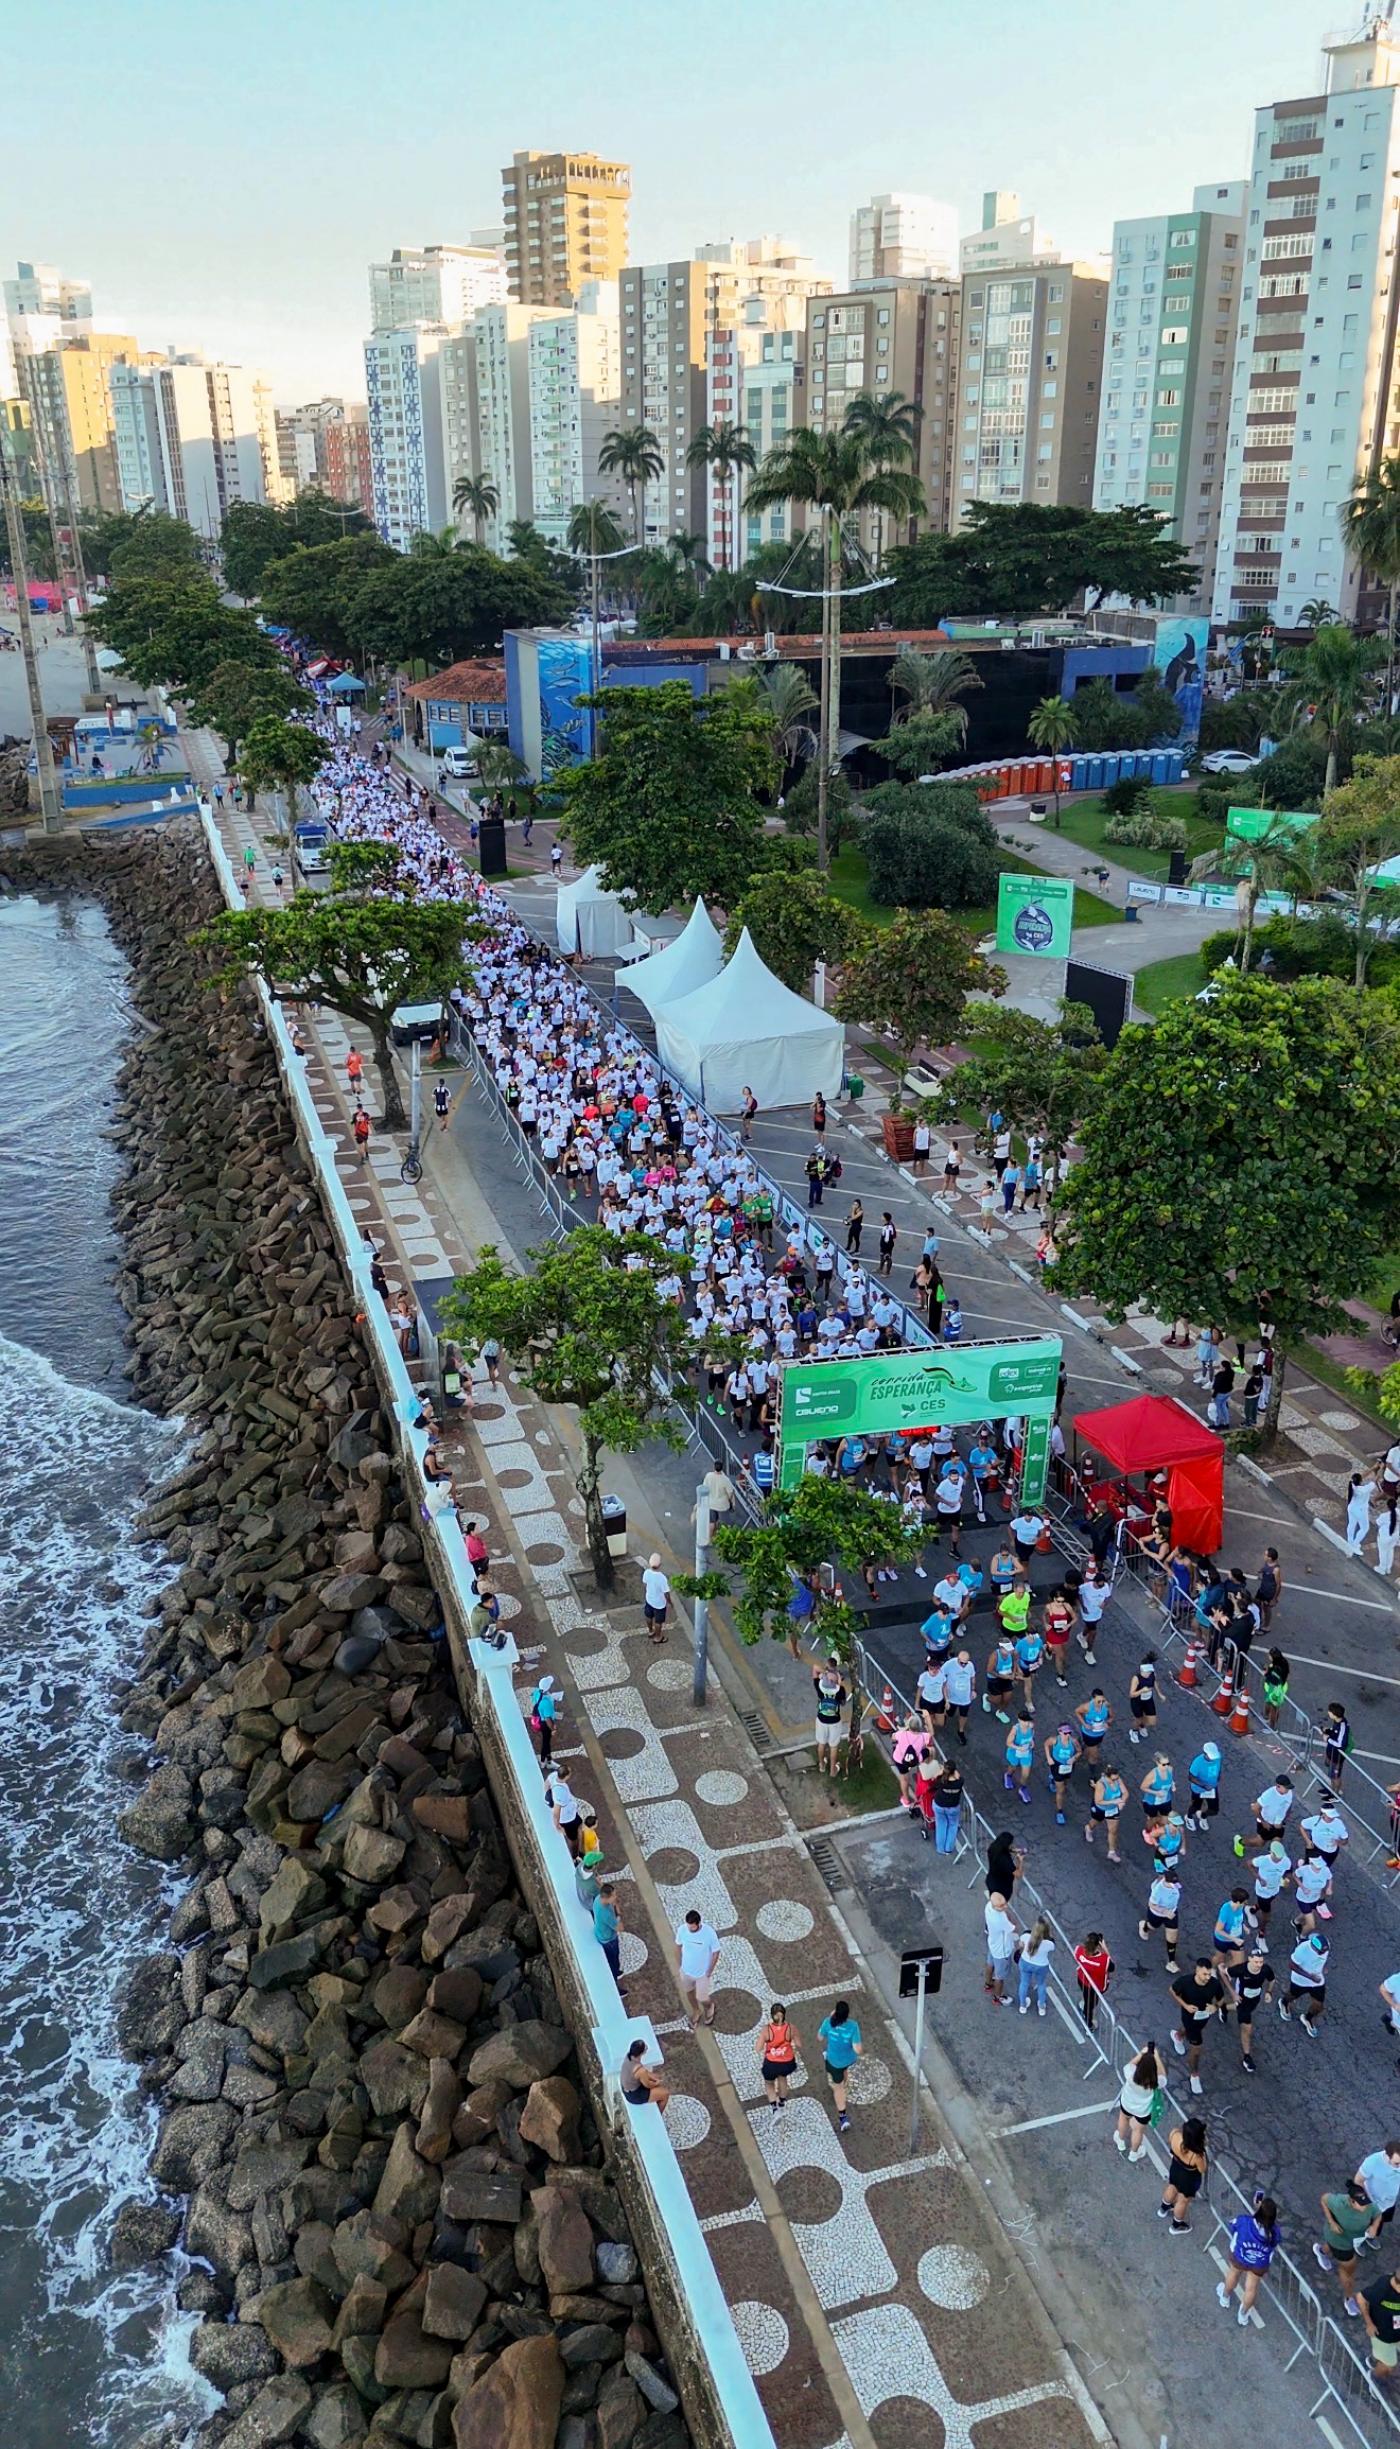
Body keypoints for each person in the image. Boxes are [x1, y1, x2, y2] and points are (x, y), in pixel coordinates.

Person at [1217, 2193, 1280, 2326]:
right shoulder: (1275, 2232)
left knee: (1233, 2274)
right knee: (1251, 2288)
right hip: (1259, 2263)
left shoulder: (1245, 2221)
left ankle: (1225, 2297)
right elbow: (1275, 2242)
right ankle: (1243, 2314)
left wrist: (1256, 2209)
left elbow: (1232, 2226)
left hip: (1240, 2256)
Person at [1314, 2179, 1374, 2318]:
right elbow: (1324, 2199)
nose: (1365, 2207)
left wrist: (1374, 2226)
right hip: (1341, 2242)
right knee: (1348, 2272)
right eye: (1361, 2204)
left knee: (1337, 2255)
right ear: (1352, 2202)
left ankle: (1321, 2251)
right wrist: (1332, 2222)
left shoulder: (1367, 2207)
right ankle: (1349, 2299)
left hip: (1349, 2240)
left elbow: (1375, 2212)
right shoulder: (1339, 2203)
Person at [1170, 1957, 1227, 2096]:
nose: (1207, 1977)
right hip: (1189, 2016)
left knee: (1192, 2029)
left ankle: (1178, 2036)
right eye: (1204, 1974)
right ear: (1197, 1971)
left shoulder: (1214, 1984)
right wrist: (1185, 2005)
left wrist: (1215, 2007)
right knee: (1196, 2049)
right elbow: (1172, 1990)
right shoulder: (1185, 1981)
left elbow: (1221, 1999)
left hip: (1203, 2017)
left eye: (1209, 1974)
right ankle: (1194, 2075)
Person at [1159, 2115, 1209, 2235]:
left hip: (1175, 2169)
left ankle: (1163, 2209)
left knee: (1172, 2187)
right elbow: (1202, 2169)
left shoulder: (1175, 2135)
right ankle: (1176, 2226)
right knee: (1183, 2200)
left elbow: (1171, 2138)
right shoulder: (1197, 2155)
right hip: (1189, 2179)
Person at [818, 1999, 863, 2133]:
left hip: (834, 2061)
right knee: (843, 2072)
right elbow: (858, 2050)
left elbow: (819, 2038)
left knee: (838, 2088)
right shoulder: (853, 2026)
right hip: (849, 2059)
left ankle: (843, 2118)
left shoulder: (828, 2022)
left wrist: (829, 2018)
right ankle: (844, 2082)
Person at [1115, 2042, 1164, 2161]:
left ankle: (1120, 2141)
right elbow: (1162, 2073)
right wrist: (1156, 2057)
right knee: (1138, 2131)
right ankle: (1133, 2153)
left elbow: (1130, 2064)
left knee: (1123, 2119)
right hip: (1143, 2111)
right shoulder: (1157, 2082)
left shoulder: (1130, 2073)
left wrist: (1142, 2054)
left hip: (1127, 2103)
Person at [674, 1909, 720, 2029]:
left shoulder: (709, 1933)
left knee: (702, 1997)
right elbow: (678, 1946)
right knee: (689, 1992)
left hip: (702, 1973)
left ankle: (709, 2006)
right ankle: (696, 2010)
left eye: (692, 1926)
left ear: (698, 1923)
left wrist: (709, 1971)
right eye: (688, 1926)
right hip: (686, 1971)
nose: (689, 1929)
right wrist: (680, 1965)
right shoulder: (682, 1930)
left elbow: (716, 1952)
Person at [1232, 1948, 1274, 2075]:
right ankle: (1247, 2057)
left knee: (1241, 2009)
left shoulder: (1265, 1969)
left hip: (1254, 1999)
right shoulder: (1241, 1969)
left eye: (1261, 1962)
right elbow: (1225, 1973)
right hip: (1242, 2000)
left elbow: (1272, 1979)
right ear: (1249, 1959)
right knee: (1247, 2029)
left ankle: (1222, 2007)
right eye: (1256, 1962)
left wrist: (1269, 1992)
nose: (1259, 1965)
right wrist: (1233, 1993)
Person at [1279, 1929, 1329, 2035]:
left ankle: (1307, 2018)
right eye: (1320, 1952)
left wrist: (1323, 1967)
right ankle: (1284, 2003)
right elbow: (1292, 1965)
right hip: (1300, 1981)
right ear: (1313, 1947)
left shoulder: (1325, 1947)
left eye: (1324, 1951)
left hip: (1317, 1981)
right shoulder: (1302, 1950)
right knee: (1292, 1996)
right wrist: (1310, 1977)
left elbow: (1324, 1959)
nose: (1322, 1953)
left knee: (1319, 2005)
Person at [1360, 2265, 1400, 2388]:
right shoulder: (1382, 2289)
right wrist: (1369, 2324)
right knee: (1389, 2366)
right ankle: (1374, 2378)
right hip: (1383, 2336)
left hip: (1397, 2332)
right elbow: (1361, 2298)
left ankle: (1374, 2360)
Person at [1139, 1870, 1183, 1975]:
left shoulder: (1175, 1886)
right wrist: (1165, 1912)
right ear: (1166, 1881)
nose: (1175, 1886)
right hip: (1157, 1914)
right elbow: (1151, 1904)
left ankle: (1171, 1962)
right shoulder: (1158, 1890)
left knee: (1172, 1937)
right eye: (1173, 1883)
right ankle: (1144, 1926)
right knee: (1152, 1927)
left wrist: (1169, 1912)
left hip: (1171, 1913)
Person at [757, 2002, 799, 2113]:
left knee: (769, 2083)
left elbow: (758, 2048)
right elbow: (799, 2044)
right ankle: (781, 2103)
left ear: (772, 2015)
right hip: (787, 2062)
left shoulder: (767, 2029)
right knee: (782, 2079)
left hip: (771, 2063)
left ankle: (775, 2109)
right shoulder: (791, 2028)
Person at [1087, 1762, 1127, 1863]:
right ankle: (1088, 1828)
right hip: (1101, 1808)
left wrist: (1122, 1801)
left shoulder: (1118, 1780)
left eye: (1117, 1778)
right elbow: (1098, 1801)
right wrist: (1114, 1801)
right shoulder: (1101, 1784)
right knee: (1095, 1822)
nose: (1115, 1781)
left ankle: (1112, 1852)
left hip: (1112, 1809)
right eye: (1113, 1779)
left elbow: (1125, 1792)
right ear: (1107, 1777)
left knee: (1113, 1830)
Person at [985, 1890, 1019, 2006]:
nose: (1005, 1906)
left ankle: (988, 1984)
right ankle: (998, 1997)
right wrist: (1008, 1915)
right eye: (1002, 1906)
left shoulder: (988, 1907)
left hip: (993, 1944)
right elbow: (1014, 1927)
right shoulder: (1000, 1919)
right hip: (1002, 1951)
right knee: (1000, 1977)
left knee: (990, 1964)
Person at [1075, 1931, 1113, 2031]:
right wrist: (1105, 1948)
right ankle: (1089, 2025)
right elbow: (1112, 1967)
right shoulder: (1104, 1960)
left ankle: (1084, 2005)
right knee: (1090, 2005)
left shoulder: (1079, 1951)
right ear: (1097, 1946)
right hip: (1096, 1987)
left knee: (1086, 1995)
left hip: (1082, 1980)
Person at [1017, 1918, 1055, 2018]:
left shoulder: (1026, 1936)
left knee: (1024, 1983)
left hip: (1025, 1962)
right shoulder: (1049, 1943)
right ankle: (1041, 2007)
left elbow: (1020, 1944)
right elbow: (1052, 1947)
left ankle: (1022, 2006)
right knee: (1041, 1984)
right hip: (1041, 1966)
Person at [1045, 1722, 1081, 1826]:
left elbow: (1079, 1751)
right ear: (1060, 1732)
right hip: (1057, 1765)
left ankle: (1052, 1780)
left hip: (1068, 1767)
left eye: (1069, 1733)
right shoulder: (1054, 1740)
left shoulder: (1073, 1741)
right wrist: (1049, 1757)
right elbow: (1046, 1744)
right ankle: (1060, 1812)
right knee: (1061, 1790)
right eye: (1065, 1733)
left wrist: (1074, 1758)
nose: (1067, 1735)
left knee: (1065, 1782)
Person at [813, 1665, 847, 1776]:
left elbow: (815, 1668)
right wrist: (839, 1683)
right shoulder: (840, 1690)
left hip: (821, 1720)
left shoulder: (819, 1687)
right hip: (835, 1722)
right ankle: (833, 1770)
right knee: (833, 1746)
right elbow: (843, 1702)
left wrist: (825, 1673)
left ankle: (822, 1765)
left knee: (821, 1743)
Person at [620, 2038, 670, 2112]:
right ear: (641, 2053)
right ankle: (658, 2114)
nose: (646, 2047)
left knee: (656, 2076)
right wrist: (657, 2082)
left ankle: (655, 2095)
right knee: (665, 2094)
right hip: (634, 2095)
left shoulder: (629, 2056)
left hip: (628, 2086)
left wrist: (654, 2078)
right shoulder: (640, 2070)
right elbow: (648, 2085)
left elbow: (642, 2074)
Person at [593, 1883, 625, 1992]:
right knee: (613, 1962)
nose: (616, 1897)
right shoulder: (606, 1913)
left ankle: (617, 1972)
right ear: (607, 1897)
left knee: (613, 1960)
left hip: (601, 1933)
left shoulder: (598, 1899)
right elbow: (620, 1928)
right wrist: (618, 1914)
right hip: (609, 1940)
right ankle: (615, 1986)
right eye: (613, 1895)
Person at [931, 1755, 965, 1854]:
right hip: (953, 1807)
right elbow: (959, 1777)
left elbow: (934, 1780)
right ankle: (948, 1848)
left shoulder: (941, 1780)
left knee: (941, 1825)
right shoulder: (959, 1782)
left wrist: (940, 1773)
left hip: (939, 1805)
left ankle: (940, 1848)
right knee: (952, 1826)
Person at [1320, 1700, 1353, 1790]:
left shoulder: (1342, 1727)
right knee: (1332, 1774)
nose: (1328, 1712)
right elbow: (1335, 1732)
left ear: (1334, 1715)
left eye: (1330, 1711)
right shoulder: (1337, 1721)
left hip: (1337, 1757)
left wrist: (1327, 1739)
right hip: (1331, 1753)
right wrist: (1328, 1731)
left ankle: (1335, 1793)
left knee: (1335, 1776)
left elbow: (1340, 1744)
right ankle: (1331, 1789)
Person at [1004, 1710, 1035, 1805]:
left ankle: (1023, 1789)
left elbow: (1031, 1736)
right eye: (1024, 1721)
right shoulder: (1015, 1729)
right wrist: (1018, 1748)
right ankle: (1008, 1775)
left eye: (1028, 1721)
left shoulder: (1031, 1726)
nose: (1026, 1723)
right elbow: (1008, 1743)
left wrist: (1032, 1743)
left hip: (1026, 1753)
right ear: (1019, 1720)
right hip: (1015, 1753)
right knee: (1013, 1767)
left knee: (1026, 1774)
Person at [1127, 1653, 1159, 1745]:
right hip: (1137, 1702)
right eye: (1147, 1672)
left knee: (1152, 1721)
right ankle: (1134, 1731)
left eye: (1150, 1672)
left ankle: (1141, 1726)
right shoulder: (1136, 1678)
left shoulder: (1152, 1674)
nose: (1149, 1674)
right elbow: (1131, 1694)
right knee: (1138, 1719)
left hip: (1148, 1700)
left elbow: (1155, 1682)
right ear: (1142, 1670)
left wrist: (1159, 1694)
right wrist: (1141, 1691)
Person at [529, 1673, 559, 1764]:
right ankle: (544, 1761)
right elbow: (547, 1719)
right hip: (544, 1724)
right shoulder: (546, 1703)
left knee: (546, 1742)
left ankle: (547, 1759)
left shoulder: (536, 1692)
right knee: (546, 1742)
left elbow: (533, 1698)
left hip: (537, 1718)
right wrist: (553, 1728)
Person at [642, 1553, 671, 1645]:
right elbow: (666, 1593)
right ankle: (658, 1637)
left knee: (648, 1616)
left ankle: (651, 1631)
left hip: (649, 1600)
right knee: (658, 1621)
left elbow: (645, 1584)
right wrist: (669, 1602)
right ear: (660, 1565)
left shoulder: (646, 1573)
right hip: (659, 1604)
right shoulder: (662, 1578)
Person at [1347, 1471, 1377, 1554]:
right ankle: (1355, 1545)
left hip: (1351, 1507)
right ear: (1360, 1481)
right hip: (1360, 1511)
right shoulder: (1364, 1489)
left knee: (1351, 1524)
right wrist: (1379, 1469)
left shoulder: (1352, 1485)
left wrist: (1374, 1468)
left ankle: (1350, 1541)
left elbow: (1361, 1476)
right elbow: (1375, 1480)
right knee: (1364, 1528)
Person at [877, 1213, 897, 1277]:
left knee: (887, 1257)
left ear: (885, 1218)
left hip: (886, 1245)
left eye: (882, 1216)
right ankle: (880, 1268)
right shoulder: (888, 1225)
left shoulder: (887, 1227)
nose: (881, 1217)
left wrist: (885, 1247)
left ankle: (887, 1273)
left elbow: (887, 1238)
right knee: (882, 1256)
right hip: (886, 1244)